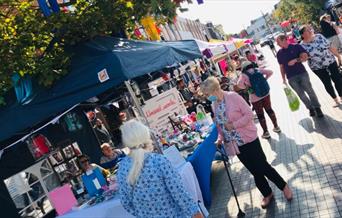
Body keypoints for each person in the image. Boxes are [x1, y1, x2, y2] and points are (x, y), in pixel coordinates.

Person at [200, 77, 292, 209]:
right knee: (254, 170)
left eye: (207, 94)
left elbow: (249, 114)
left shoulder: (233, 97)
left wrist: (234, 125)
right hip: (234, 144)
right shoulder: (214, 105)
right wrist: (220, 138)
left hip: (248, 138)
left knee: (263, 166)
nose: (206, 97)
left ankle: (283, 186)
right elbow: (220, 126)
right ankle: (267, 193)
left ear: (214, 90)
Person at [117, 120, 203, 218]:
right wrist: (196, 213)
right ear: (146, 136)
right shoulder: (159, 161)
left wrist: (142, 214)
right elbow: (179, 193)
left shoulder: (122, 168)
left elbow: (125, 202)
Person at [276, 34, 324, 117]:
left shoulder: (296, 47)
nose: (277, 44)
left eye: (278, 42)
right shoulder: (279, 53)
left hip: (302, 73)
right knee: (301, 95)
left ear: (284, 40)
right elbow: (281, 67)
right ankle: (310, 108)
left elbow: (306, 57)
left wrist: (295, 60)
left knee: (310, 91)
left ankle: (317, 108)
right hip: (291, 77)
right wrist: (283, 79)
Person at [300, 25, 342, 106]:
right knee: (327, 83)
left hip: (331, 61)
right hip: (317, 68)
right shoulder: (301, 46)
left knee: (337, 79)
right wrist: (301, 58)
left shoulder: (319, 36)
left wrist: (338, 56)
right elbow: (303, 59)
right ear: (302, 34)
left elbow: (330, 47)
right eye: (307, 30)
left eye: (310, 29)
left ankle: (341, 96)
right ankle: (335, 99)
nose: (310, 30)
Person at [237, 61, 281, 139]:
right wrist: (265, 79)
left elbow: (239, 84)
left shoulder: (243, 75)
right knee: (269, 110)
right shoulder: (258, 69)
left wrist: (246, 87)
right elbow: (270, 72)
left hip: (255, 97)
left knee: (260, 115)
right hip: (265, 93)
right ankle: (276, 127)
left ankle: (266, 132)